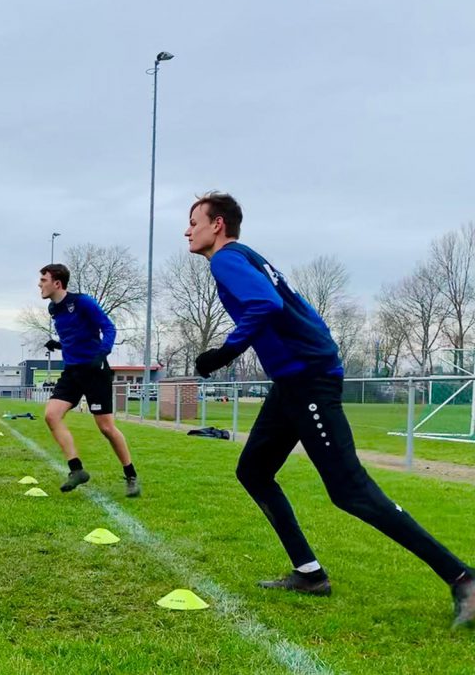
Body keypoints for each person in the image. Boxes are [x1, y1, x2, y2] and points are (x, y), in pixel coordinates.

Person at [186, 190, 474, 627]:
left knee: (350, 490)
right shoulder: (245, 258)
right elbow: (294, 310)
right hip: (293, 381)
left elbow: (267, 304)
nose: (187, 231)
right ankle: (309, 573)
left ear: (217, 224)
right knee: (254, 471)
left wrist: (222, 353)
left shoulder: (227, 259)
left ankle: (463, 578)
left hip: (307, 380)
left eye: (194, 221)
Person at [39, 264, 140, 498]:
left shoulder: (83, 302)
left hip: (95, 371)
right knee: (51, 415)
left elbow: (109, 328)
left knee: (106, 428)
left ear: (57, 283)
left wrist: (101, 354)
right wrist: (60, 345)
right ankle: (77, 470)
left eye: (43, 280)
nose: (40, 286)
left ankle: (131, 475)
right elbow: (76, 336)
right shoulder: (53, 308)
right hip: (72, 372)